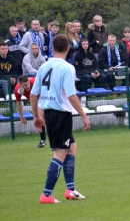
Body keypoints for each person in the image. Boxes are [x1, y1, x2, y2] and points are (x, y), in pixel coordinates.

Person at [30, 34, 91, 204]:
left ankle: (70, 190)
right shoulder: (67, 67)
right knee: (60, 153)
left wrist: (36, 116)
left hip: (48, 113)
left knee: (72, 147)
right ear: (69, 48)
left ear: (52, 48)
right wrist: (84, 116)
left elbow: (34, 95)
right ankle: (46, 194)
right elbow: (71, 96)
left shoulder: (43, 66)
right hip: (61, 114)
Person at [14, 75, 47, 148]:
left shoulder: (35, 81)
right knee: (43, 119)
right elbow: (19, 103)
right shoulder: (17, 90)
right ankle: (45, 140)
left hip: (42, 96)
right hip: (34, 100)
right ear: (20, 84)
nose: (28, 86)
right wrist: (21, 117)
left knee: (39, 116)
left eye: (28, 84)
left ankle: (43, 140)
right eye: (25, 85)